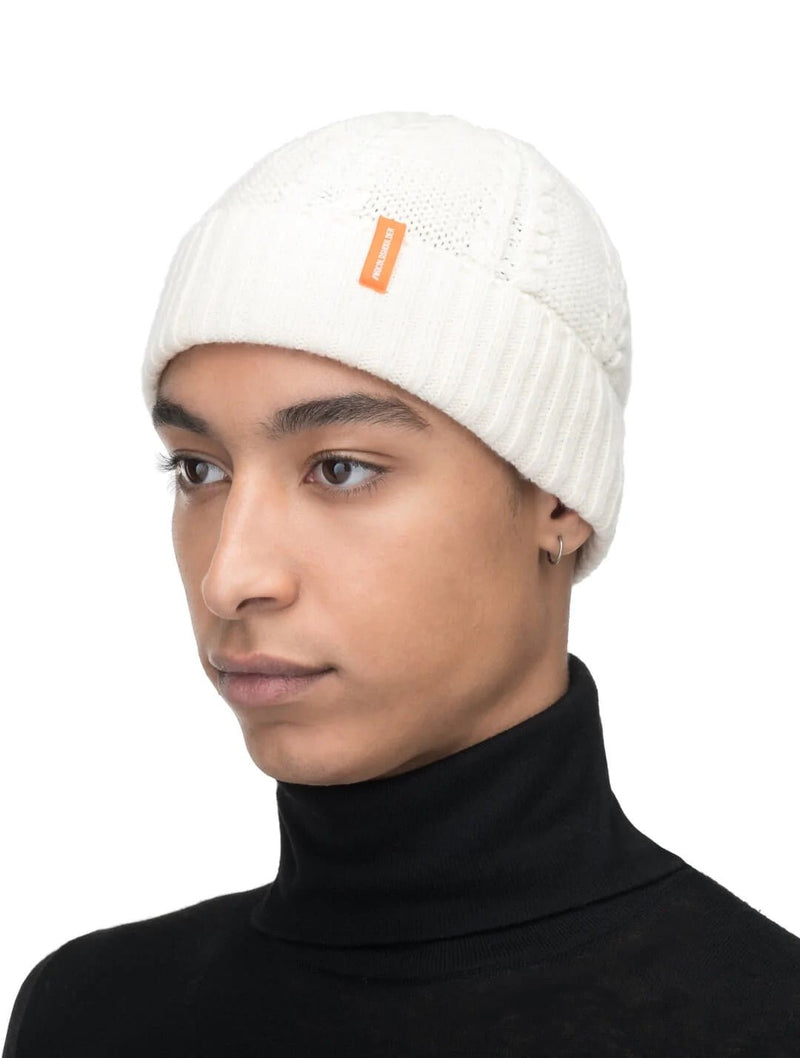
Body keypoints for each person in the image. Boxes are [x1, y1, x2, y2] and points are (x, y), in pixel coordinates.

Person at [4, 111, 799, 1057]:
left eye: (340, 469)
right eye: (199, 470)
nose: (230, 577)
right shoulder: (89, 1016)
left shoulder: (762, 1024)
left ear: (560, 499)